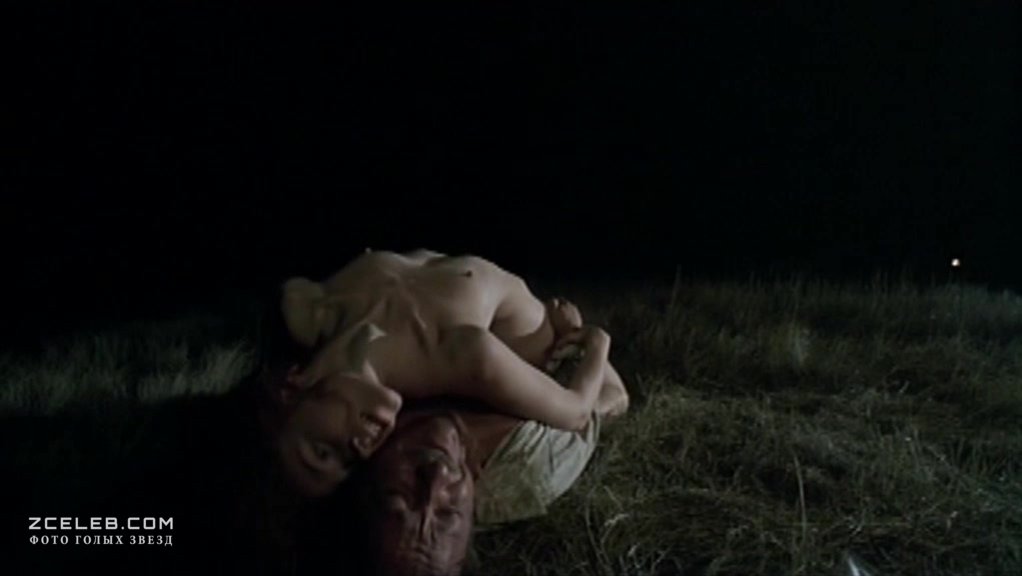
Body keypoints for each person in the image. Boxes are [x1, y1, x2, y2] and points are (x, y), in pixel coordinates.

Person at [256, 248, 628, 497]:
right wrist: (596, 342)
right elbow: (577, 412)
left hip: (469, 272)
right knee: (615, 401)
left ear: (290, 388)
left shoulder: (302, 308)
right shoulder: (458, 354)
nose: (360, 450)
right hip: (536, 328)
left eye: (322, 451)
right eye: (351, 465)